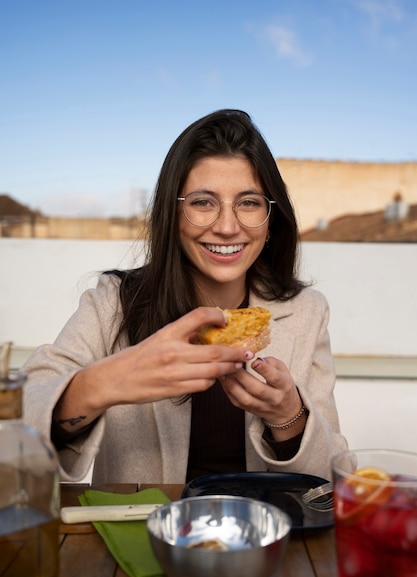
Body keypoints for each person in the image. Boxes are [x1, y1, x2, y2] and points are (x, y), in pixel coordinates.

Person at [22, 109, 347, 484]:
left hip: (269, 535)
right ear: (173, 216)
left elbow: (336, 480)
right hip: (144, 537)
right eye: (203, 202)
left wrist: (289, 416)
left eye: (249, 202)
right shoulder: (113, 302)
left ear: (272, 221)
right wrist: (103, 383)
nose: (227, 227)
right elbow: (17, 419)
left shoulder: (307, 311)